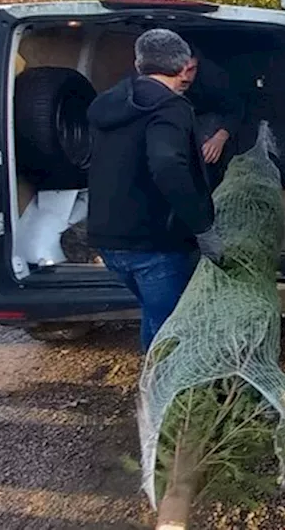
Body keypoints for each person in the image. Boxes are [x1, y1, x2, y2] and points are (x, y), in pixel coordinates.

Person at [86, 28, 216, 352]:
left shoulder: (109, 104)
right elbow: (168, 166)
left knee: (156, 316)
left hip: (109, 241)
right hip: (155, 243)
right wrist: (202, 226)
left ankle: (157, 385)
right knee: (171, 330)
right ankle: (166, 396)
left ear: (137, 62)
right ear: (185, 65)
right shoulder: (171, 109)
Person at [183, 53, 246, 190]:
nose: (185, 76)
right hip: (183, 117)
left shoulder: (214, 77)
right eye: (180, 70)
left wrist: (220, 137)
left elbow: (236, 109)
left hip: (215, 118)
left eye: (191, 69)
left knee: (207, 152)